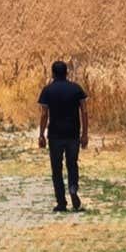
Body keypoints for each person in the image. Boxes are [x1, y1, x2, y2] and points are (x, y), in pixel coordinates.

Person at [37, 62, 88, 212]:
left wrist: (41, 135)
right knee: (72, 165)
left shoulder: (48, 90)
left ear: (52, 74)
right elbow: (84, 111)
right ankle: (73, 188)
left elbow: (44, 114)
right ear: (67, 73)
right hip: (72, 135)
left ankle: (61, 202)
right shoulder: (76, 89)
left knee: (56, 169)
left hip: (55, 136)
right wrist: (84, 134)